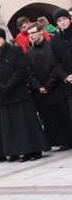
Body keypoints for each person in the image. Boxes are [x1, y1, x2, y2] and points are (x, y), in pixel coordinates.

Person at [0, 28, 48, 162]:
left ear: (3, 38)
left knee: (26, 123)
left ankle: (34, 150)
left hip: (19, 93)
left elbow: (21, 69)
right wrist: (0, 87)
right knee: (11, 126)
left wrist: (9, 85)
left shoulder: (15, 50)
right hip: (4, 95)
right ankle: (16, 151)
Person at [26, 22, 72, 151]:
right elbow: (29, 72)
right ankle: (59, 141)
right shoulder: (29, 53)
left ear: (41, 32)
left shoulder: (51, 45)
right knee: (52, 119)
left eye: (33, 33)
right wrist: (39, 86)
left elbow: (56, 65)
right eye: (29, 34)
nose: (31, 36)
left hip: (56, 88)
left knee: (64, 115)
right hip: (42, 91)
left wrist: (49, 85)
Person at [50, 8, 72, 125]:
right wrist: (66, 76)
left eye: (64, 18)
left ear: (69, 19)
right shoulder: (55, 40)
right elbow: (55, 62)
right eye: (59, 20)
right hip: (69, 84)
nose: (62, 22)